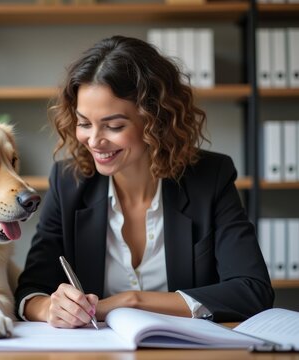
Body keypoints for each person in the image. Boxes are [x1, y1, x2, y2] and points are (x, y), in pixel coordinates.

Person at [14, 35, 274, 328]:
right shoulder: (68, 182)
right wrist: (50, 307)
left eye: (114, 126)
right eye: (84, 123)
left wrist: (129, 301)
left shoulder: (210, 177)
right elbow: (29, 292)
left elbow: (252, 291)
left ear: (155, 121)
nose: (95, 140)